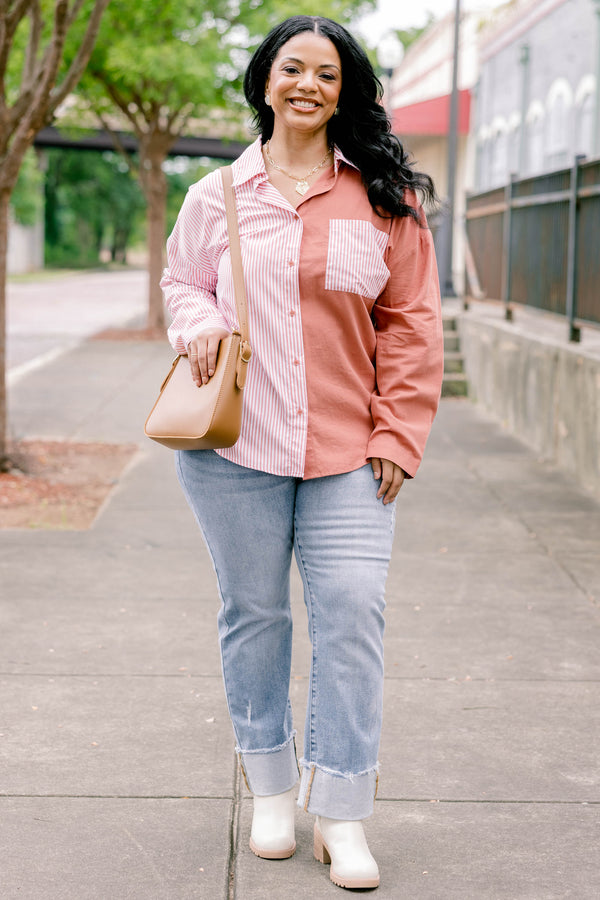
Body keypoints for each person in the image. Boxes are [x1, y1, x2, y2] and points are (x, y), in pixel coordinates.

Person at [160, 14, 443, 891]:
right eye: (293, 68)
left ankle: (344, 813)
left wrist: (399, 431)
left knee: (352, 617)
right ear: (266, 82)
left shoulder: (385, 198)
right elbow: (181, 280)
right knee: (256, 615)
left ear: (346, 90)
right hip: (233, 447)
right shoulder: (218, 194)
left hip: (351, 449)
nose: (309, 85)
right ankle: (273, 789)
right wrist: (203, 321)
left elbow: (410, 325)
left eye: (328, 73)